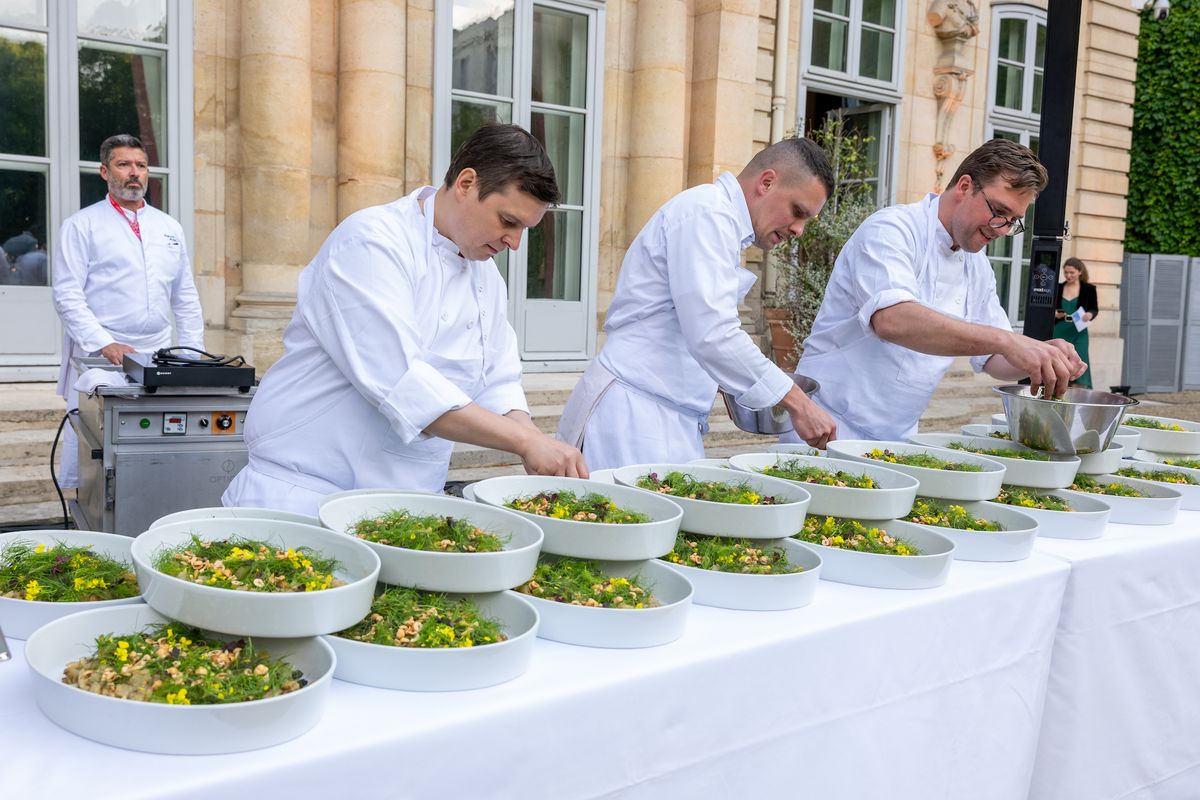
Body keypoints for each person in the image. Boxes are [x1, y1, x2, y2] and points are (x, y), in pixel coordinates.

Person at [223, 124, 587, 514]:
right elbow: (403, 386)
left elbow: (497, 378)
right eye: (508, 221)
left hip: (409, 505)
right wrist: (524, 443)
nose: (514, 243)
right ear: (466, 183)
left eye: (524, 230)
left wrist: (530, 435)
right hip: (307, 493)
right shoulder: (372, 241)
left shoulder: (487, 278)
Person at [556, 138, 839, 468]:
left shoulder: (721, 223)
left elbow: (686, 328)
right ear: (767, 182)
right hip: (631, 415)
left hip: (662, 416)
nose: (799, 230)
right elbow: (713, 334)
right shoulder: (706, 213)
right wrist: (798, 403)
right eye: (798, 211)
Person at [781, 138, 1085, 444]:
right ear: (965, 186)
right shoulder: (892, 229)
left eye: (1013, 221)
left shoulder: (977, 265)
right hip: (823, 423)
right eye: (999, 211)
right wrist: (1008, 340)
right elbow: (893, 320)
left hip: (897, 438)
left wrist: (1041, 355)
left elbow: (994, 359)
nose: (1002, 229)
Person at [52, 134, 204, 488]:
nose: (134, 173)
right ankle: (87, 512)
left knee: (155, 441)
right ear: (105, 172)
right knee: (96, 447)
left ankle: (152, 499)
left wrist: (193, 352)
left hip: (157, 354)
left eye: (140, 165)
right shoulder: (81, 225)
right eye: (123, 165)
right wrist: (105, 343)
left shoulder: (169, 227)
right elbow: (67, 295)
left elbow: (184, 295)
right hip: (101, 358)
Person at [1053, 256, 1098, 388]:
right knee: (1059, 362)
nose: (1068, 275)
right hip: (1059, 330)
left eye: (1071, 272)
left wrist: (1090, 314)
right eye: (1066, 272)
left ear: (1080, 272)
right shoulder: (1058, 287)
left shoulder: (1089, 289)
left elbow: (1094, 308)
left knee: (1080, 362)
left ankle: (1079, 397)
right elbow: (1049, 309)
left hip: (1079, 331)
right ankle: (1058, 393)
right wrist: (1054, 314)